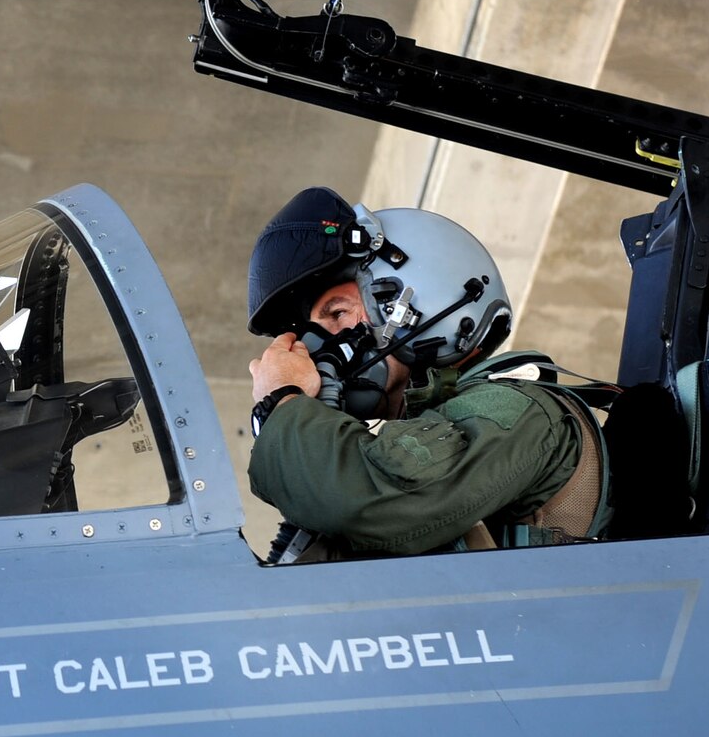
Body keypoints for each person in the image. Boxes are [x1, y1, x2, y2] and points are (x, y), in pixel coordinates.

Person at [244, 187, 608, 560]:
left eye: (337, 313)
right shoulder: (413, 434)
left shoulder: (516, 408)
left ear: (416, 301)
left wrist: (284, 398)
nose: (317, 346)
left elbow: (377, 505)